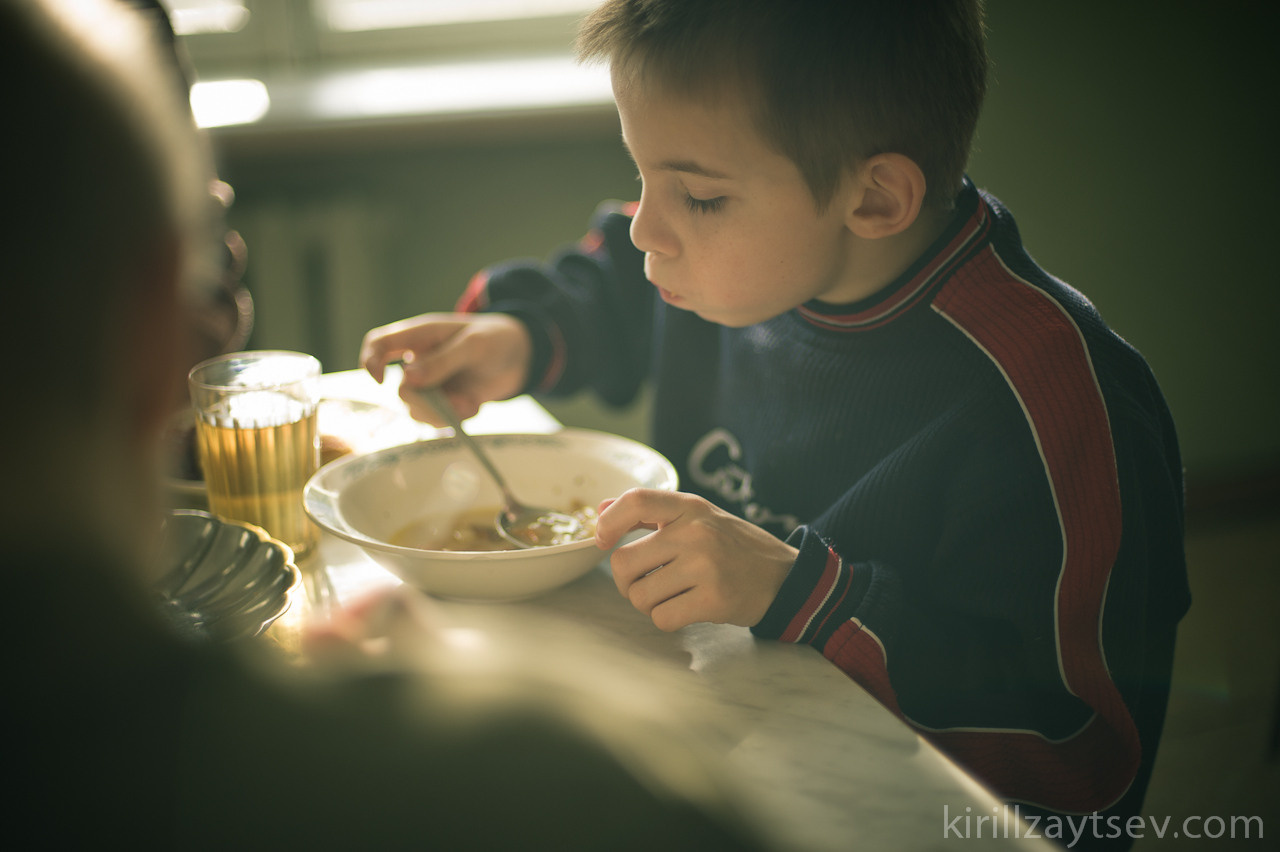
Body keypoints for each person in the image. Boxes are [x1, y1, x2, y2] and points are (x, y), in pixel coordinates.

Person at [359, 1, 1191, 846]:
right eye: (644, 177)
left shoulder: (1052, 401)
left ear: (874, 197)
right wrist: (527, 335)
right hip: (737, 740)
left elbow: (1079, 761)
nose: (649, 228)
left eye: (698, 195)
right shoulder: (735, 262)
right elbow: (617, 282)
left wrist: (806, 596)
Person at [2, 1, 768, 849]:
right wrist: (460, 696)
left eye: (697, 196)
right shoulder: (549, 785)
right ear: (163, 338)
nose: (645, 228)